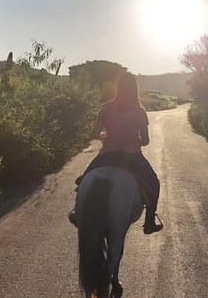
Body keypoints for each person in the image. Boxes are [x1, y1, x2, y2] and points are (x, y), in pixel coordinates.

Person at [68, 72, 163, 234]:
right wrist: (133, 139)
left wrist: (105, 136)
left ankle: (78, 212)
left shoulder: (106, 108)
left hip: (107, 154)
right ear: (135, 89)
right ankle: (149, 222)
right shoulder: (140, 111)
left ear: (118, 87)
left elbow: (93, 133)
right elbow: (146, 141)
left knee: (84, 180)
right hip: (132, 156)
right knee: (154, 183)